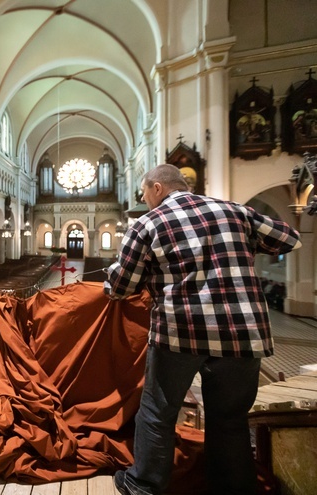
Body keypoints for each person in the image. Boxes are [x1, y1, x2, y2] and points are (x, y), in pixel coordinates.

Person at [104, 164, 301, 495]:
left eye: (143, 193)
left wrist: (114, 271)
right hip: (243, 331)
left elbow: (121, 287)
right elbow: (289, 239)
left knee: (158, 413)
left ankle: (144, 486)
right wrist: (243, 248)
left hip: (180, 331)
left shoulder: (148, 223)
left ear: (156, 188)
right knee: (230, 420)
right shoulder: (235, 211)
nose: (144, 200)